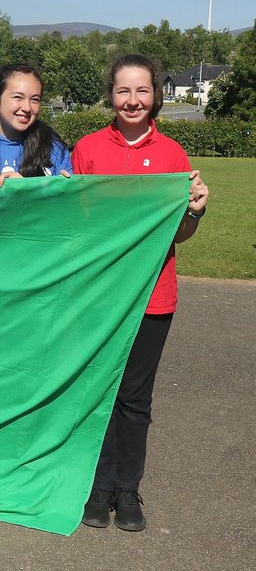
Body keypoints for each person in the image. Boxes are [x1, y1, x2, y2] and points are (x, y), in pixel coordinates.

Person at [73, 54, 209, 532]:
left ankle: (128, 488)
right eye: (123, 91)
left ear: (155, 96)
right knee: (102, 392)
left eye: (142, 91)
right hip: (103, 295)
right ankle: (98, 486)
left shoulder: (173, 155)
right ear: (111, 95)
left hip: (153, 296)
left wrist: (194, 212)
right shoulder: (87, 150)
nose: (133, 100)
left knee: (135, 397)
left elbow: (179, 234)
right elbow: (78, 225)